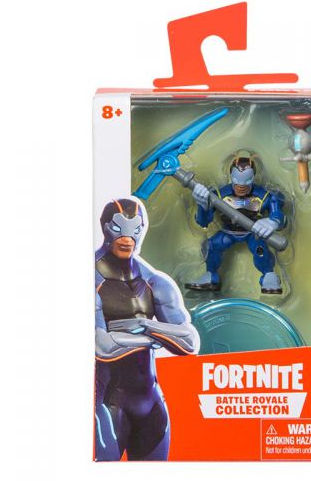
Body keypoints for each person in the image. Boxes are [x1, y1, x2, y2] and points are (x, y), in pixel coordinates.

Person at [94, 197, 199, 461]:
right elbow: (102, 347)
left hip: (150, 401)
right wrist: (158, 336)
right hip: (106, 402)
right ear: (105, 228)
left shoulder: (155, 281)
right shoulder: (90, 279)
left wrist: (144, 326)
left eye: (135, 230)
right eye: (118, 229)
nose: (126, 238)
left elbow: (190, 343)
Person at [186, 156, 286, 294]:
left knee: (260, 250)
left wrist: (273, 222)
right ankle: (210, 275)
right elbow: (204, 222)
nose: (241, 186)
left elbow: (279, 215)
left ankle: (269, 275)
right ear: (231, 177)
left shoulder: (264, 196)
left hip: (252, 233)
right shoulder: (219, 194)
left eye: (247, 181)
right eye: (237, 180)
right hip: (228, 232)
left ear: (253, 177)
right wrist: (202, 205)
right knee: (211, 246)